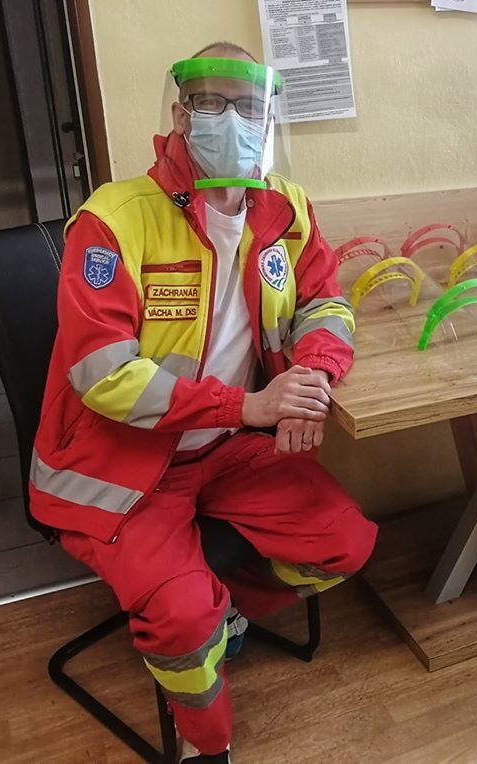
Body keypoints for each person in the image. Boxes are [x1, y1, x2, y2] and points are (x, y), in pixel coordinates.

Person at [30, 41, 377, 762]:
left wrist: (312, 379)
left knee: (344, 543)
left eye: (249, 106)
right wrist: (249, 409)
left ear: (268, 119)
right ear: (182, 115)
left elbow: (325, 304)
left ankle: (226, 614)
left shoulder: (285, 208)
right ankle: (206, 744)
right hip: (121, 465)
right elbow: (103, 375)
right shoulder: (114, 219)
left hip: (227, 451)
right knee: (184, 625)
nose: (234, 119)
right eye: (213, 102)